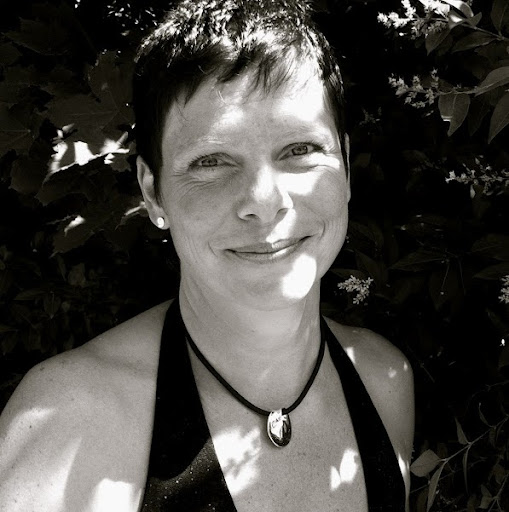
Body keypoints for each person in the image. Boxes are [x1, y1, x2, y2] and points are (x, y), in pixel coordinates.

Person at [0, 1, 414, 510]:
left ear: (345, 166)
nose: (264, 201)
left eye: (299, 149)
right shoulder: (67, 422)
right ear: (153, 194)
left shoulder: (384, 381)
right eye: (212, 161)